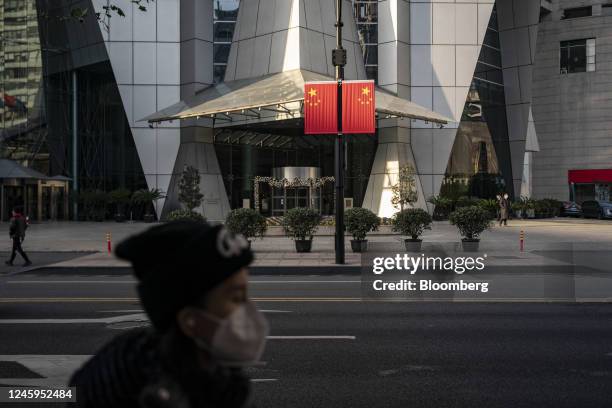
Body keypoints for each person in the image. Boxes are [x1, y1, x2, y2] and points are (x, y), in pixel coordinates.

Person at [69, 221, 269, 408]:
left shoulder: (225, 377)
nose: (248, 309)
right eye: (236, 298)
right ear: (188, 321)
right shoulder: (124, 377)